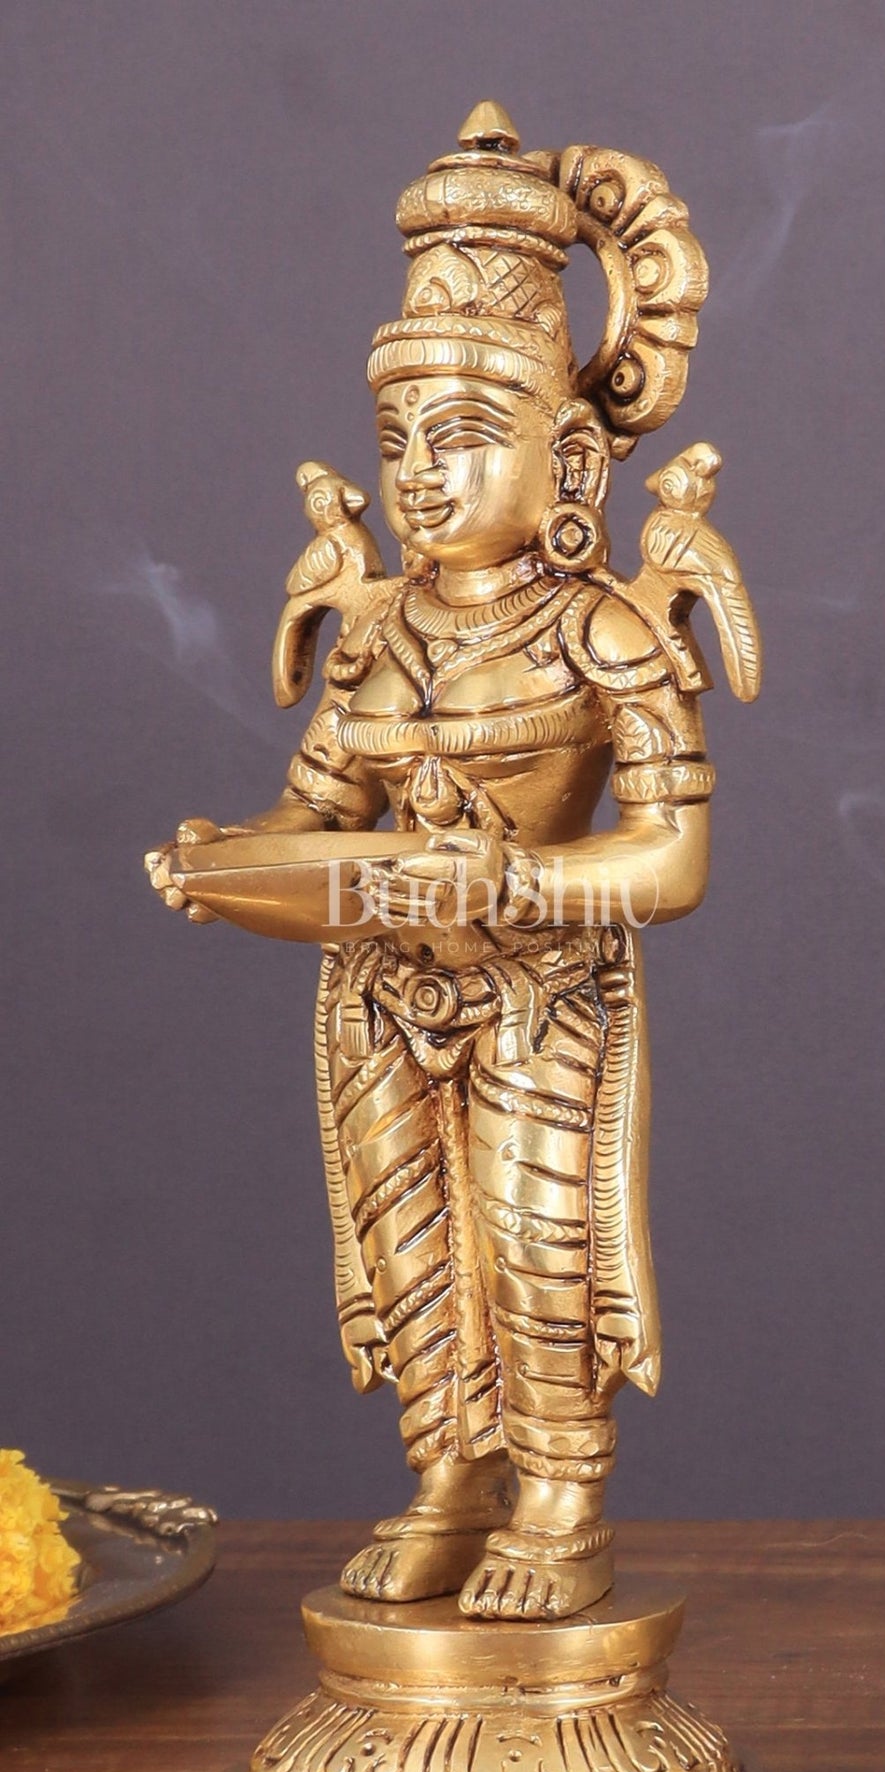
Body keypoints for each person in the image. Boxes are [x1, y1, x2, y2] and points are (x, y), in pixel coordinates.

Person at [147, 101, 758, 1622]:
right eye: (398, 440)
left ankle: (558, 1497)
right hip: (379, 994)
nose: (419, 475)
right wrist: (228, 858)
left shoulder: (601, 631)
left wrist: (516, 886)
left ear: (568, 459)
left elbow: (673, 861)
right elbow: (315, 815)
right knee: (408, 1238)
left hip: (542, 993)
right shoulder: (375, 637)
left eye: (466, 436)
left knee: (537, 1237)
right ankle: (448, 1479)